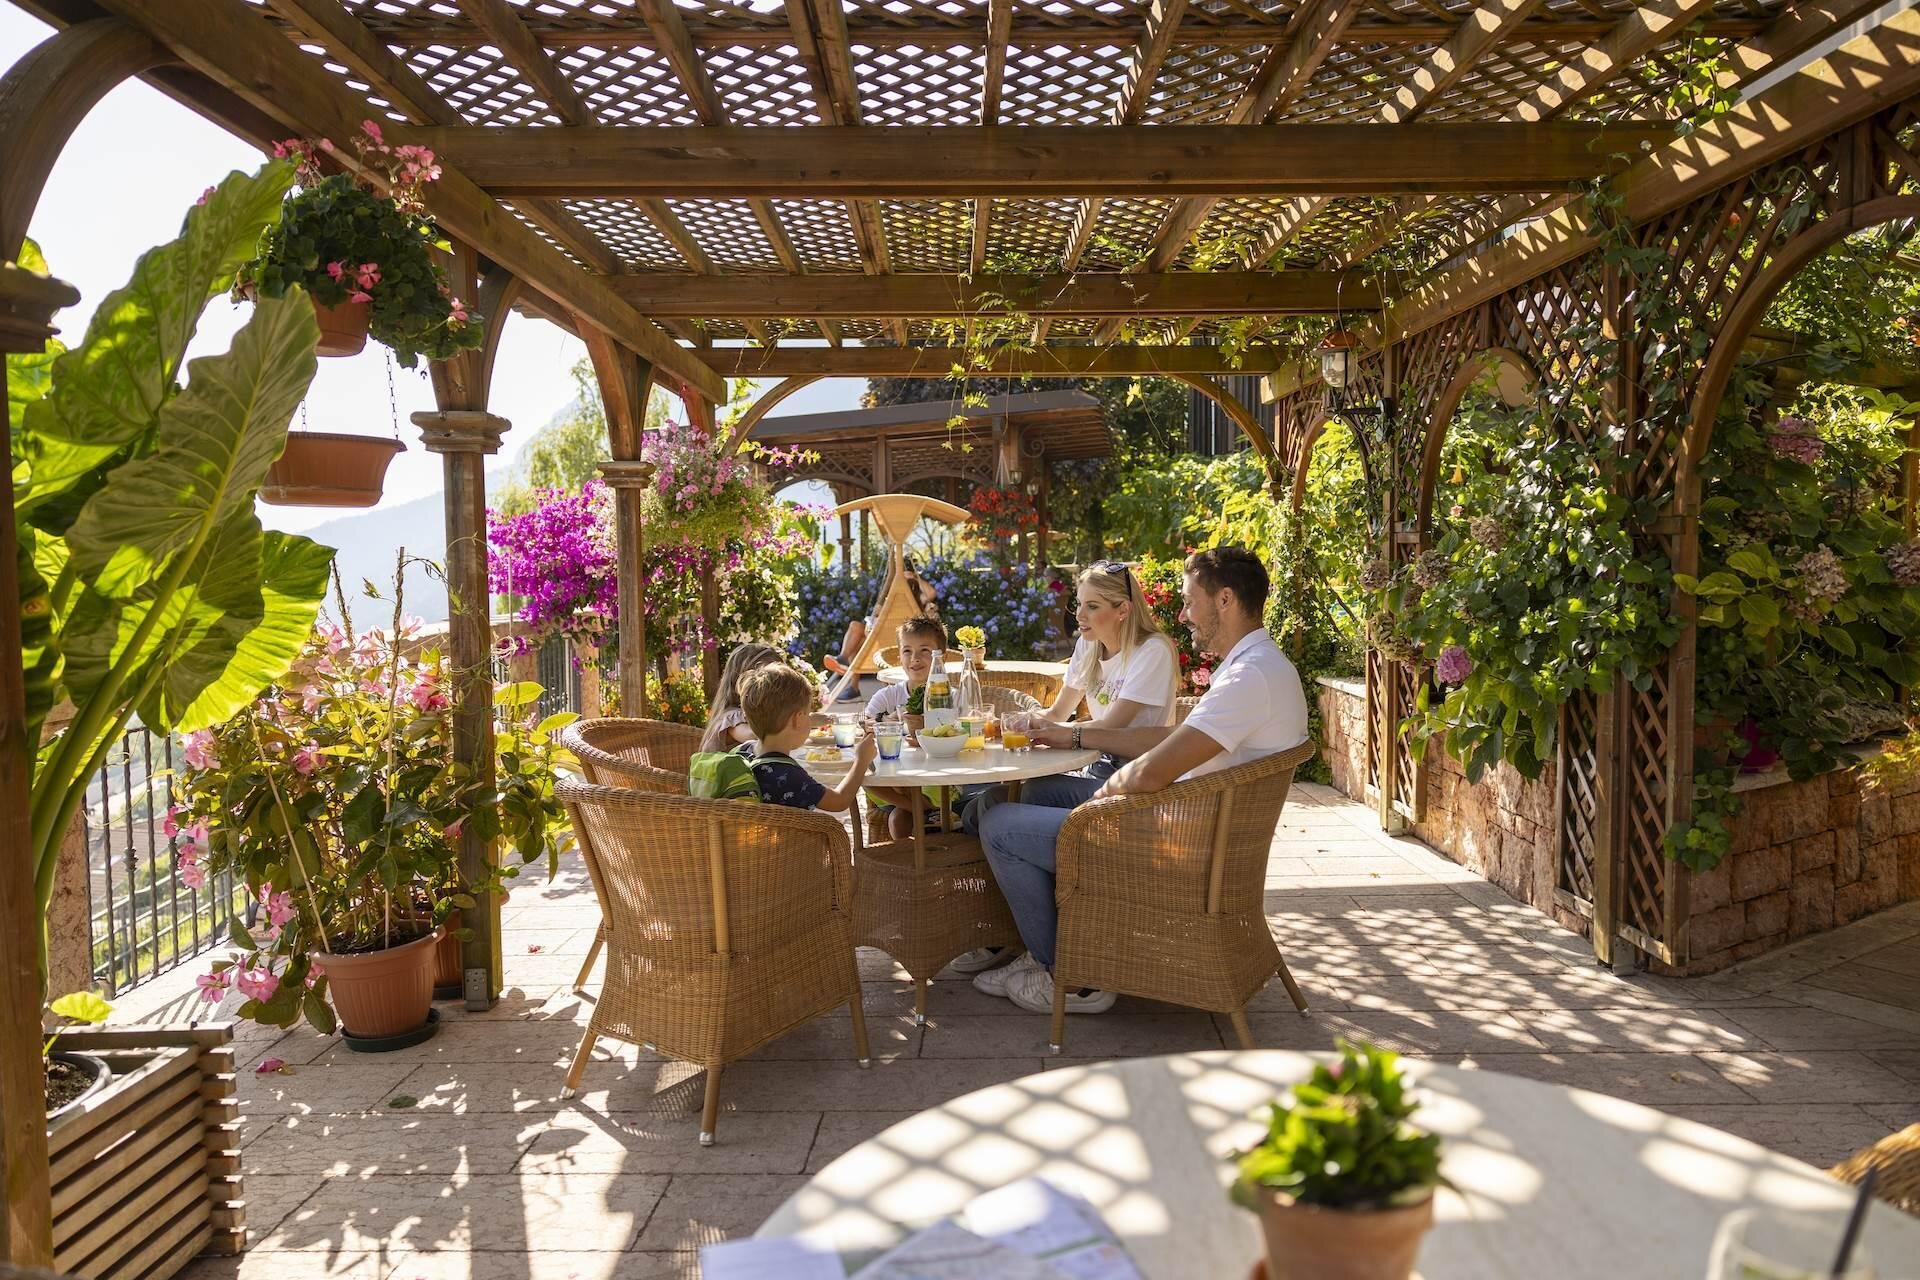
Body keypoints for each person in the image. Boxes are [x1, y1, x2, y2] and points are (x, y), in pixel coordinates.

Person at [973, 547, 1309, 1016]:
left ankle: (1070, 977)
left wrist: (1096, 809)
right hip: (1198, 825)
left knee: (1001, 827)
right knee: (1032, 793)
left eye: (1191, 602)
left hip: (1181, 842)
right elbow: (1177, 737)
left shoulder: (1248, 678)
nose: (1184, 614)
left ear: (1226, 600)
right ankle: (1053, 943)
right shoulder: (1261, 667)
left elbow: (1151, 772)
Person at [948, 560, 1180, 974]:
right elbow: (1060, 712)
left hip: (1133, 782)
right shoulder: (1089, 646)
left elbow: (1111, 727)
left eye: (1092, 607)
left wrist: (1064, 732)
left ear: (1123, 610)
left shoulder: (1152, 651)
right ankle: (1013, 933)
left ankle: (1055, 962)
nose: (1079, 615)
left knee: (1000, 817)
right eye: (1079, 604)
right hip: (1098, 769)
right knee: (990, 802)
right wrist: (1034, 722)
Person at [735, 664, 875, 812]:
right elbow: (839, 801)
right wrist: (861, 761)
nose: (809, 718)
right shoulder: (788, 774)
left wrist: (810, 720)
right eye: (807, 714)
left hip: (752, 834)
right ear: (798, 719)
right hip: (792, 835)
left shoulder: (742, 752)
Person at [861, 614, 948, 840]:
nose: (915, 658)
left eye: (925, 651)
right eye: (907, 651)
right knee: (865, 781)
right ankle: (921, 808)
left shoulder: (948, 698)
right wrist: (882, 722)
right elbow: (865, 723)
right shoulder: (888, 696)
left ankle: (915, 808)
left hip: (936, 779)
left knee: (900, 817)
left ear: (941, 657)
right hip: (895, 781)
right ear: (899, 657)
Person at [823, 554, 940, 680]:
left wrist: (914, 577)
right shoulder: (891, 595)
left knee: (861, 642)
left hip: (901, 636)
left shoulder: (917, 597)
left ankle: (852, 684)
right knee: (856, 628)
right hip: (882, 633)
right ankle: (843, 659)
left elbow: (931, 593)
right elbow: (877, 615)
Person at [699, 643, 796, 754]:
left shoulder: (753, 713)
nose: (778, 690)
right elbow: (752, 735)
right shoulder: (733, 717)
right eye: (771, 683)